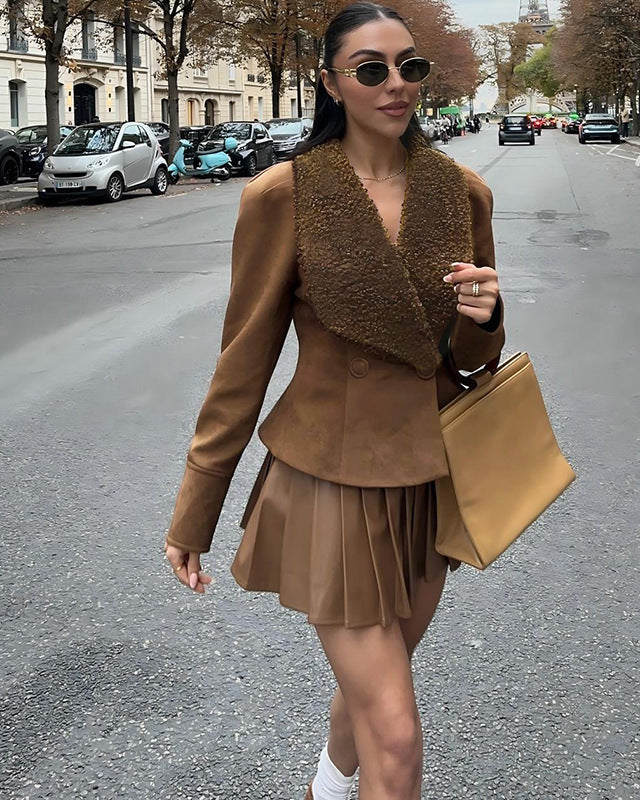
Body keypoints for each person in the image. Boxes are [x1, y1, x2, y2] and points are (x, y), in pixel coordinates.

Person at [164, 3, 505, 799]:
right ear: (330, 82)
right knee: (397, 733)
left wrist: (486, 319)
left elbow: (470, 359)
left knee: (376, 695)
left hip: (427, 478)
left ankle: (321, 786)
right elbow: (243, 361)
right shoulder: (284, 195)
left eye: (410, 67)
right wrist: (195, 510)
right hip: (330, 479)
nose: (396, 85)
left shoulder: (462, 193)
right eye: (371, 69)